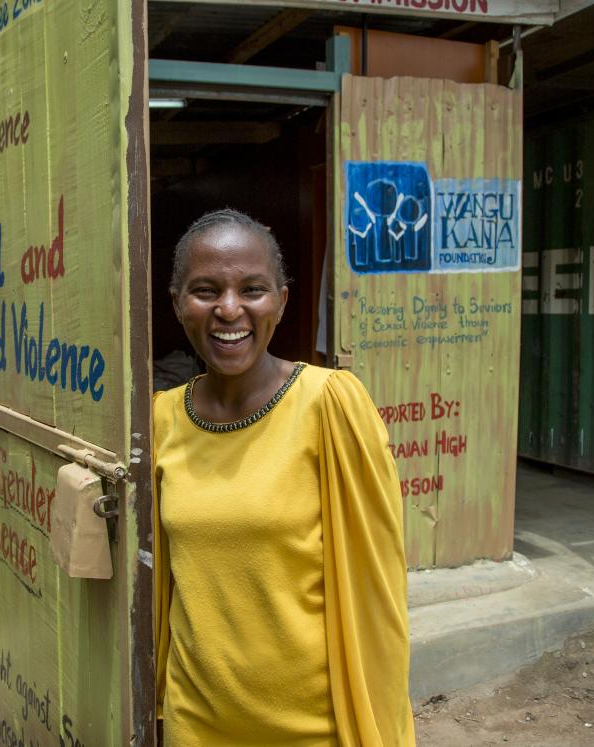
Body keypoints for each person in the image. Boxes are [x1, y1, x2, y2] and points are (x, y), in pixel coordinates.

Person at [153, 208, 414, 746]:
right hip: (196, 723)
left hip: (312, 726)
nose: (230, 309)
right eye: (205, 290)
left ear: (282, 301)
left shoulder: (330, 406)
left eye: (253, 289)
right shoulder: (160, 420)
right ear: (178, 302)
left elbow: (377, 588)